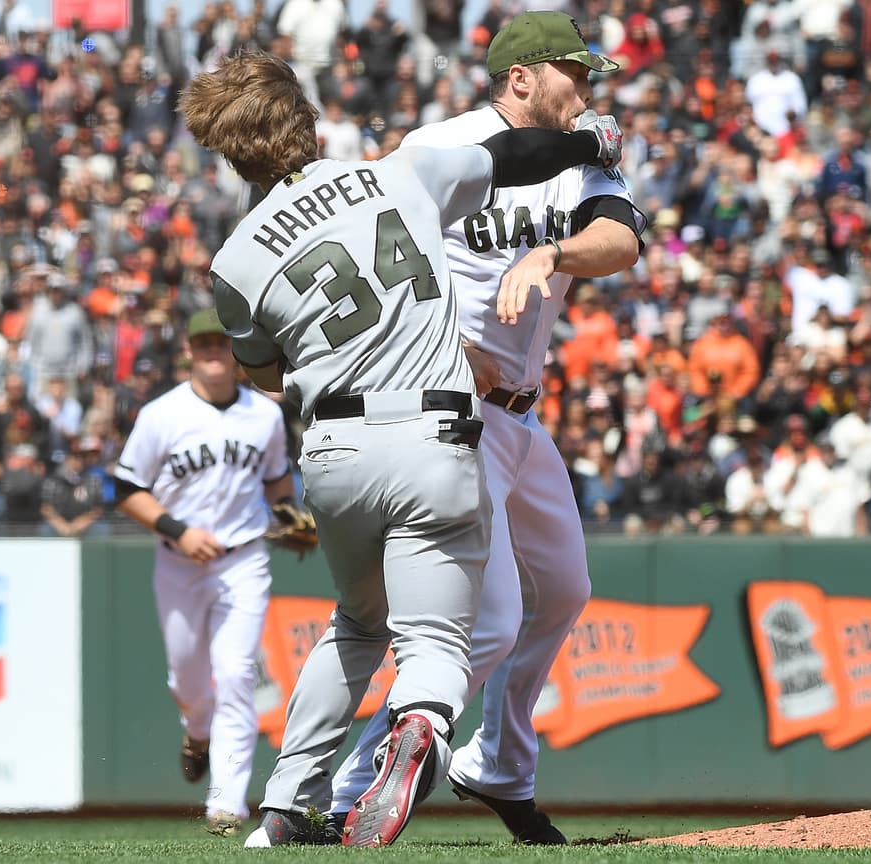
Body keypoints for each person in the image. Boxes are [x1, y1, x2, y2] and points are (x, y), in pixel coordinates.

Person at [178, 51, 622, 847]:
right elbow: (510, 155)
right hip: (433, 434)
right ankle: (419, 728)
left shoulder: (234, 262)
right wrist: (590, 144)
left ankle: (287, 803)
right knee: (444, 641)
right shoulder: (398, 174)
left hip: (335, 450)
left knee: (357, 622)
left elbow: (266, 374)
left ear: (232, 153)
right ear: (308, 123)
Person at [329, 11, 644, 845]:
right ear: (522, 78)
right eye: (577, 73)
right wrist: (444, 345)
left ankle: (499, 763)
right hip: (451, 409)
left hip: (521, 418)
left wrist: (554, 254)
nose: (590, 88)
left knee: (564, 590)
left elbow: (621, 240)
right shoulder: (438, 148)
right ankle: (340, 797)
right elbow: (373, 267)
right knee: (492, 621)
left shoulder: (581, 154)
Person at [113, 309, 293, 837]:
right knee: (188, 679)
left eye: (222, 341)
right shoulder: (161, 415)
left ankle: (226, 804)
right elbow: (125, 489)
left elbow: (278, 483)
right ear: (190, 351)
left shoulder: (265, 415)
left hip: (244, 559)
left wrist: (290, 519)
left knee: (236, 673)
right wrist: (179, 530)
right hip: (179, 562)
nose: (214, 349)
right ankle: (196, 730)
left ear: (236, 352)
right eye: (204, 342)